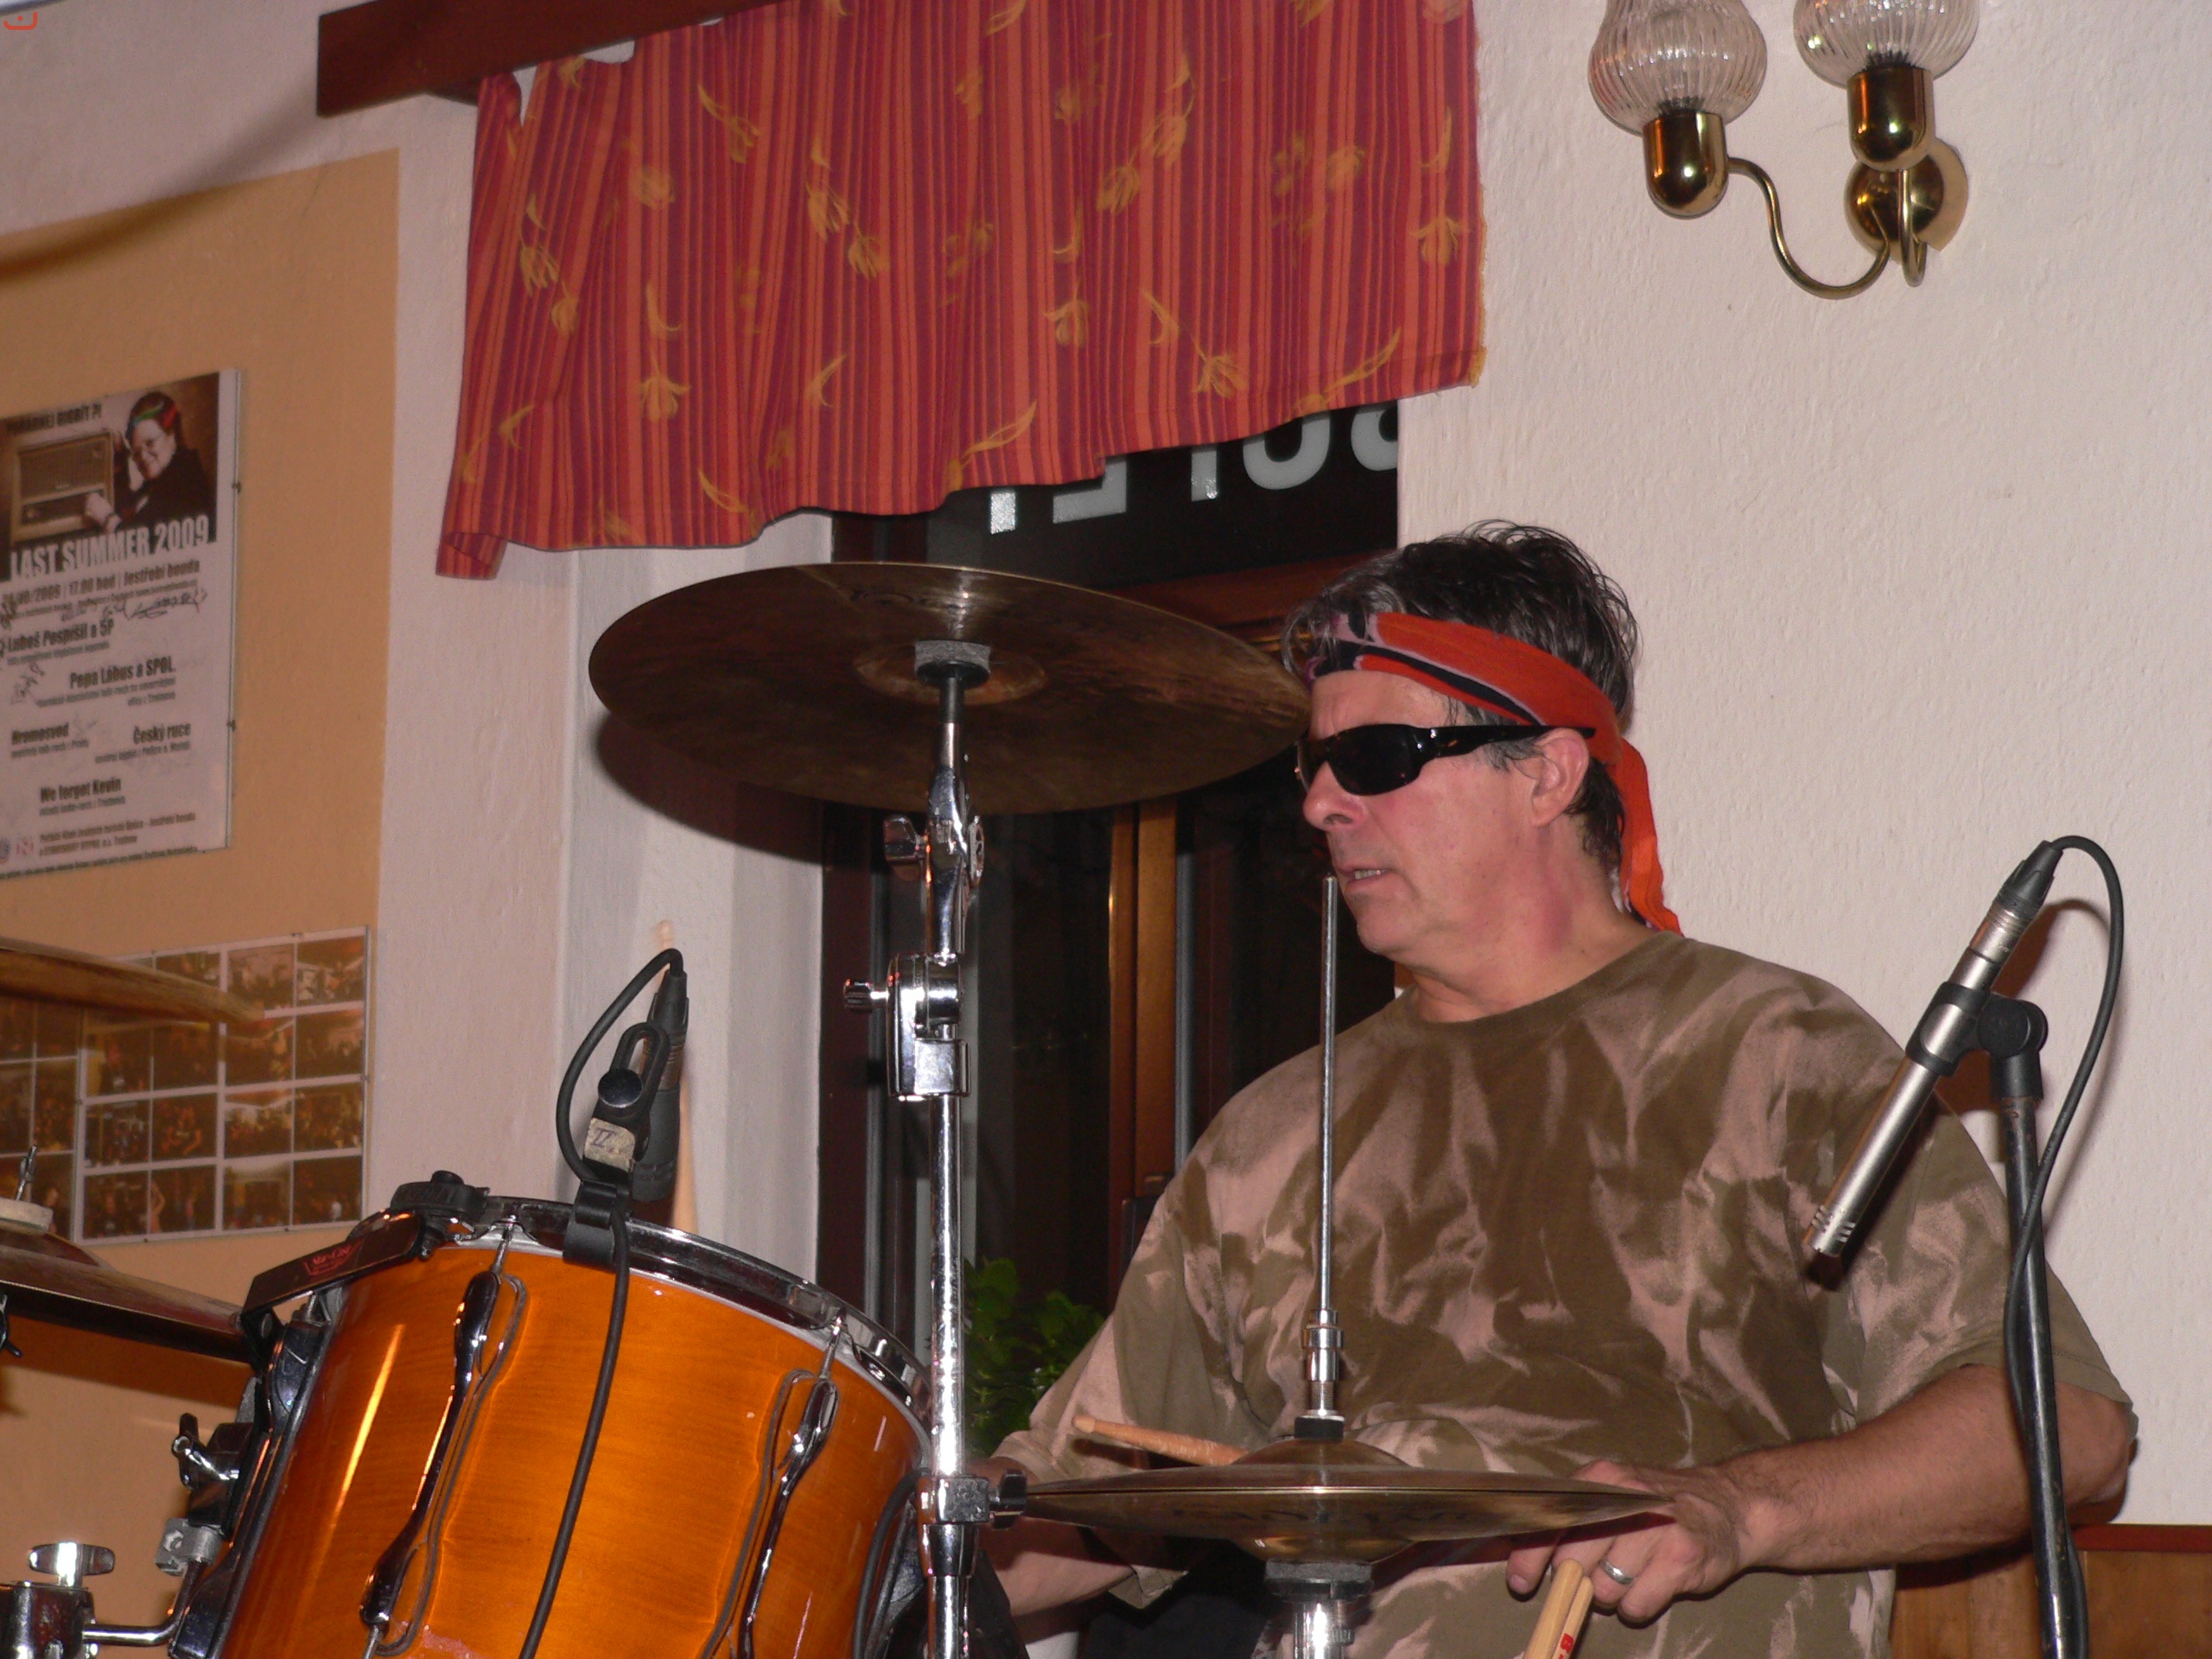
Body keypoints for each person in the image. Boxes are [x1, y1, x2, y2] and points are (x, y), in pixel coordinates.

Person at [980, 524, 2133, 1657]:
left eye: (1374, 758)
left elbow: (2067, 1429)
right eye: (1312, 764)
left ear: (1545, 773)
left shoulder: (1775, 1057)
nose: (1321, 804)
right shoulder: (1273, 1136)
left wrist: (1740, 1509)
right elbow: (1086, 1506)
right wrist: (910, 1545)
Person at [82, 390, 214, 534]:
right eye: (137, 453)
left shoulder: (186, 479)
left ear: (172, 434)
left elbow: (139, 539)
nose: (143, 457)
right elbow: (132, 512)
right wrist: (120, 462)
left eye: (150, 443)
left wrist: (107, 519)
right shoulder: (161, 480)